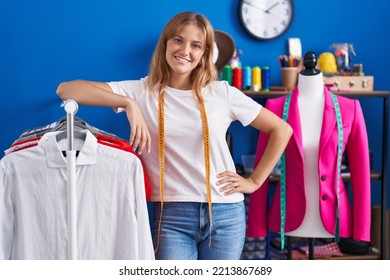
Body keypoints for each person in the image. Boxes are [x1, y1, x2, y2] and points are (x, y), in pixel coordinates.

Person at [56, 11, 292, 260]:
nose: (185, 50)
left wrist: (254, 182)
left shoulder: (221, 93)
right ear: (166, 43)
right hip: (171, 216)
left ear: (204, 53)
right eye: (178, 40)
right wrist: (127, 103)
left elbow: (282, 129)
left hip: (225, 212)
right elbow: (67, 89)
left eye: (196, 45)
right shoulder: (140, 91)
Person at [247, 51, 371, 254]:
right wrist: (256, 225)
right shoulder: (275, 108)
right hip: (288, 214)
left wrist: (362, 231)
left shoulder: (351, 109)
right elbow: (261, 168)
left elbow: (362, 176)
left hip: (335, 215)